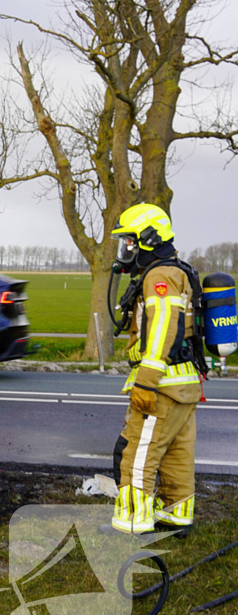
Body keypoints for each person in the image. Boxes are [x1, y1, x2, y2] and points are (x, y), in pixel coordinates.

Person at [109, 203, 201, 537]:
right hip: (184, 383)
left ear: (149, 238)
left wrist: (146, 382)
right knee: (177, 454)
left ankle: (132, 522)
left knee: (138, 454)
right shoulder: (177, 271)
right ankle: (176, 516)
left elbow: (163, 325)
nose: (126, 250)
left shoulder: (159, 276)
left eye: (130, 242)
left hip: (161, 385)